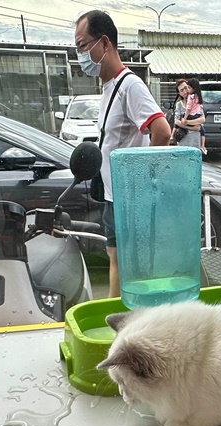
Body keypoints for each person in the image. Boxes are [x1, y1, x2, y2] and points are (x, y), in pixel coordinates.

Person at [74, 10, 172, 298]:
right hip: (114, 195)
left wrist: (144, 182)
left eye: (82, 45)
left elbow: (162, 131)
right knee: (116, 259)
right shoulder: (110, 87)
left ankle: (120, 324)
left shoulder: (130, 85)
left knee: (128, 264)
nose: (80, 54)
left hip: (129, 198)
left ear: (104, 43)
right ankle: (117, 318)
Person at [170, 78, 205, 153]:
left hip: (195, 140)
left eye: (186, 88)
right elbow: (176, 122)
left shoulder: (196, 100)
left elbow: (202, 119)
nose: (185, 91)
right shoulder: (179, 105)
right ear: (179, 93)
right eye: (181, 90)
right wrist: (193, 127)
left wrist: (186, 122)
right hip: (183, 140)